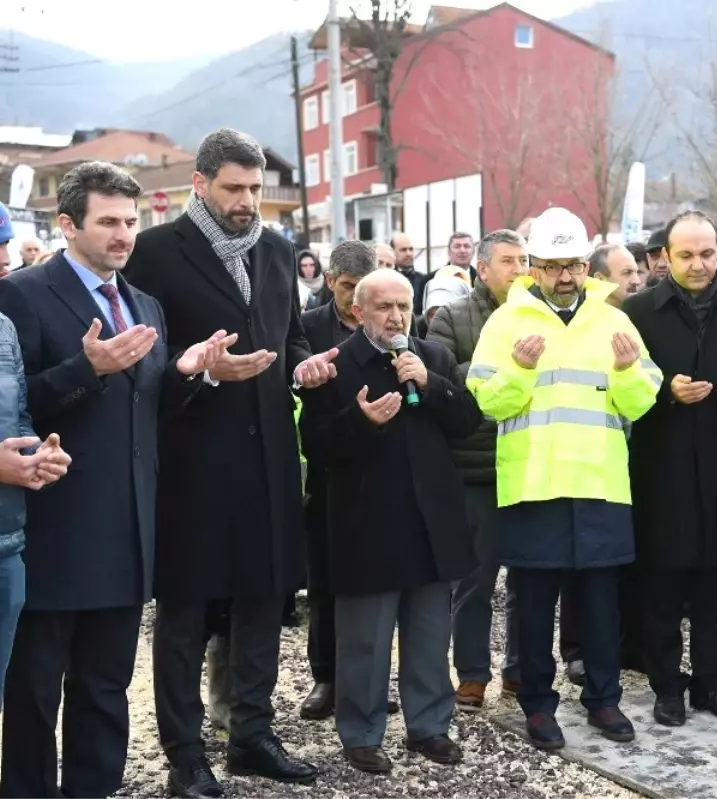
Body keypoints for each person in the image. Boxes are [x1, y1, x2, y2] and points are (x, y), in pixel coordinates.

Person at [0, 162, 229, 799]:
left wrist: (190, 373)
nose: (125, 234)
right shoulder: (22, 294)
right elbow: (16, 407)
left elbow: (144, 413)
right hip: (54, 529)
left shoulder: (143, 302)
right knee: (35, 694)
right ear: (69, 224)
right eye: (109, 222)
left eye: (132, 221)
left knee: (105, 691)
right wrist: (86, 368)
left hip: (128, 533)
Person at [123, 128, 338, 797]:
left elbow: (291, 334)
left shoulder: (277, 250)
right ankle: (185, 754)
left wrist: (304, 366)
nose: (249, 201)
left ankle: (251, 734)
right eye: (235, 188)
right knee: (185, 614)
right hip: (191, 463)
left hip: (270, 458)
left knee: (262, 603)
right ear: (200, 183)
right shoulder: (153, 254)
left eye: (256, 189)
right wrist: (206, 373)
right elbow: (141, 364)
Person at [467, 207, 662, 750]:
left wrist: (626, 373)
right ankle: (537, 705)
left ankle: (603, 700)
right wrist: (520, 370)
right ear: (535, 267)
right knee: (533, 606)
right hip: (534, 484)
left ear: (585, 265)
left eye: (573, 265)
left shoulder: (615, 321)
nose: (565, 276)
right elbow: (488, 401)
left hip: (599, 483)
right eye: (553, 266)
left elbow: (642, 402)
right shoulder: (507, 321)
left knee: (601, 603)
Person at [302, 269, 480, 772]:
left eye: (404, 306)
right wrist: (359, 422)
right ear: (359, 312)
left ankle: (429, 727)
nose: (397, 316)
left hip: (431, 522)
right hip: (367, 522)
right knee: (365, 640)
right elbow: (312, 444)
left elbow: (467, 422)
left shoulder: (433, 357)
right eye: (384, 307)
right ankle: (360, 733)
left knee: (428, 636)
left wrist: (432, 384)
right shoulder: (337, 366)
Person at [624, 210, 717, 727]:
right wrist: (666, 393)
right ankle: (667, 686)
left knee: (715, 586)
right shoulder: (639, 312)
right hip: (661, 468)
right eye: (686, 255)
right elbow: (621, 387)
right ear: (665, 257)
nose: (699, 264)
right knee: (661, 585)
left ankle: (710, 682)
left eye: (707, 253)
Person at [427, 229, 528, 712]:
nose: (519, 270)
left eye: (524, 260)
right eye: (508, 261)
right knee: (475, 582)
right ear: (482, 268)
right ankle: (471, 675)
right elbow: (438, 376)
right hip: (477, 466)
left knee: (528, 580)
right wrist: (503, 367)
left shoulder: (541, 314)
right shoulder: (453, 316)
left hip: (530, 462)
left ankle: (519, 670)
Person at [297, 240, 378, 720]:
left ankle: (366, 679)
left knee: (376, 583)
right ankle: (325, 678)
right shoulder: (308, 328)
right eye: (348, 288)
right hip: (327, 469)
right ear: (330, 281)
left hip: (378, 471)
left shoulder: (390, 322)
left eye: (361, 288)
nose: (354, 299)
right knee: (325, 583)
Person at [0, 203, 72, 707]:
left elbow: (19, 414)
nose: (4, 257)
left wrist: (39, 455)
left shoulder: (4, 327)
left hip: (7, 541)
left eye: (4, 242)